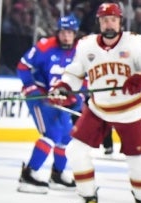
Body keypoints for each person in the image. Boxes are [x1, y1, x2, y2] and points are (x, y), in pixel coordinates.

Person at [48, 2, 141, 203]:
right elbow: (74, 73)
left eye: (113, 19)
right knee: (76, 150)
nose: (108, 23)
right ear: (99, 23)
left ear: (120, 21)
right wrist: (63, 87)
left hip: (130, 110)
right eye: (104, 19)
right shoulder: (86, 45)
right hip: (98, 109)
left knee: (139, 162)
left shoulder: (135, 42)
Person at [16, 15, 82, 194]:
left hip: (61, 101)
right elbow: (23, 66)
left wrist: (78, 98)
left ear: (75, 34)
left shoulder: (80, 52)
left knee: (67, 136)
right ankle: (28, 174)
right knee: (51, 134)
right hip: (40, 98)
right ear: (58, 32)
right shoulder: (45, 46)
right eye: (63, 32)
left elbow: (83, 79)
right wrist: (32, 89)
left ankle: (57, 175)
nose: (66, 36)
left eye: (70, 33)